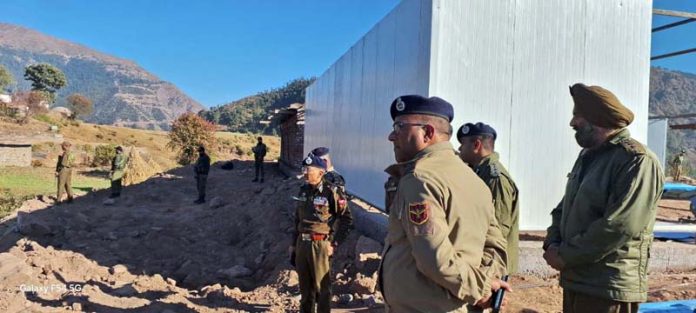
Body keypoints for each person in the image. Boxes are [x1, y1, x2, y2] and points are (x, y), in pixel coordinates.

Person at [379, 95, 510, 312]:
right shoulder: (473, 179)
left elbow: (434, 257)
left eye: (399, 126)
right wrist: (485, 283)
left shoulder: (421, 178)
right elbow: (496, 245)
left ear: (428, 133)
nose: (392, 136)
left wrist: (480, 289)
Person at [543, 83, 664, 313]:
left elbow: (619, 225)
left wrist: (565, 256)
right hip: (578, 280)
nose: (572, 123)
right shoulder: (588, 156)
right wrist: (553, 242)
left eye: (577, 115)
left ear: (595, 118)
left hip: (607, 288)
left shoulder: (636, 160)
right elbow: (564, 208)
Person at [289, 153, 353, 313]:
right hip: (302, 244)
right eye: (304, 169)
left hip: (321, 245)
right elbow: (298, 220)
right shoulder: (303, 191)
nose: (305, 172)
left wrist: (334, 242)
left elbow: (346, 219)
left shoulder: (331, 192)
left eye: (308, 170)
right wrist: (293, 245)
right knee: (305, 289)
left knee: (322, 290)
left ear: (320, 172)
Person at [457, 122, 520, 274]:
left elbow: (498, 227)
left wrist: (486, 265)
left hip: (493, 264)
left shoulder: (495, 178)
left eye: (463, 144)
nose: (459, 149)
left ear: (476, 144)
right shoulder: (479, 172)